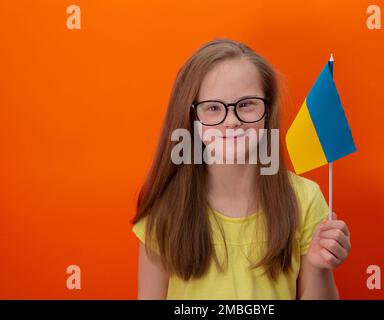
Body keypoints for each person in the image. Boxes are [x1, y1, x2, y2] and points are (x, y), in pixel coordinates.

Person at [131, 38, 351, 299]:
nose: (232, 121)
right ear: (190, 117)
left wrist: (319, 266)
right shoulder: (166, 208)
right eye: (213, 108)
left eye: (246, 105)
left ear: (267, 110)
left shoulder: (305, 199)